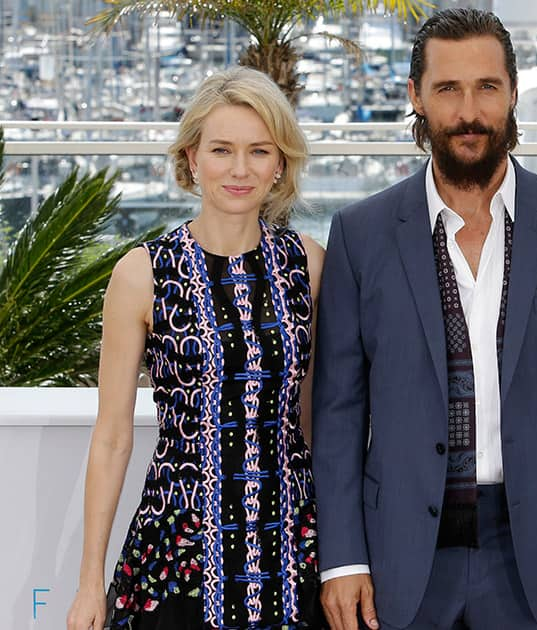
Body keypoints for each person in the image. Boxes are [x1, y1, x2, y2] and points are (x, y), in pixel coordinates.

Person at [311, 8, 537, 630]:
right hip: (400, 554)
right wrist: (342, 559)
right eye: (447, 89)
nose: (468, 111)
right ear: (416, 97)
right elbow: (339, 411)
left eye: (487, 87)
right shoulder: (361, 234)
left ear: (513, 92)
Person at [66, 66, 327, 630]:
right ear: (191, 159)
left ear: (279, 163)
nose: (240, 169)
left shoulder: (307, 263)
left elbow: (311, 418)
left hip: (290, 543)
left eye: (259, 151)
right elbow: (112, 438)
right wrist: (91, 583)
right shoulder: (142, 274)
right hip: (178, 546)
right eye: (221, 150)